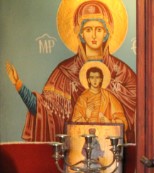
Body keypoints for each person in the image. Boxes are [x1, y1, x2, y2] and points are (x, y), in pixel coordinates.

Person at [5, 1, 135, 142]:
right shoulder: (64, 72)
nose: (93, 35)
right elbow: (46, 111)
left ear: (106, 33)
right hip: (77, 146)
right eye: (88, 29)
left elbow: (138, 112)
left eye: (98, 29)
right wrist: (19, 86)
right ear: (80, 33)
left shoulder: (122, 73)